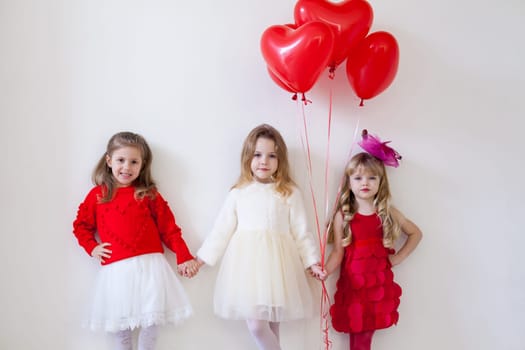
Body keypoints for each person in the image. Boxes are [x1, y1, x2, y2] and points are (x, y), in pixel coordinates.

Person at [195, 124, 323, 350]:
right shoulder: (238, 192)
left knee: (272, 327)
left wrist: (312, 262)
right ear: (247, 158)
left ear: (280, 160)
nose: (264, 161)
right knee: (257, 325)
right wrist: (202, 258)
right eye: (257, 155)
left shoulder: (289, 192)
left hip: (280, 266)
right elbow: (221, 229)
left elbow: (301, 231)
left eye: (271, 156)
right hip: (248, 269)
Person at [72, 131, 200, 350]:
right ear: (109, 160)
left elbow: (169, 229)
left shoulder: (148, 194)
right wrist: (91, 247)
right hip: (117, 272)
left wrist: (184, 255)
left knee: (151, 324)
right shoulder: (98, 195)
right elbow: (81, 226)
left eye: (134, 162)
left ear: (142, 165)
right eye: (121, 160)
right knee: (121, 328)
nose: (126, 167)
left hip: (150, 269)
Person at [321, 130, 422, 350]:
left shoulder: (387, 212)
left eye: (371, 177)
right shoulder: (343, 215)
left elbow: (416, 233)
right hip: (354, 285)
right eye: (358, 178)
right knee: (356, 334)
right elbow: (338, 252)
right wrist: (325, 271)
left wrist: (398, 258)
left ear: (380, 182)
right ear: (349, 182)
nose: (364, 182)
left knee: (365, 336)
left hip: (377, 286)